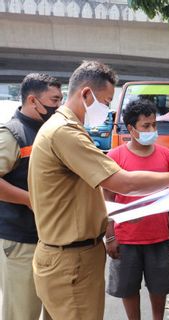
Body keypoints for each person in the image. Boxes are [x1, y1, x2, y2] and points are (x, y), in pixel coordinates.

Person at [28, 61, 169, 320]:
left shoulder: (64, 129)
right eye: (106, 101)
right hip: (71, 260)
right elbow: (122, 183)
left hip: (69, 254)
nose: (107, 110)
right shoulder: (66, 133)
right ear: (86, 94)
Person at [104, 99, 169, 320]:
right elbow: (107, 197)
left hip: (158, 236)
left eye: (154, 125)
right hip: (126, 238)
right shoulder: (115, 157)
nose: (152, 130)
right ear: (131, 129)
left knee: (159, 286)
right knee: (128, 288)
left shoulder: (165, 156)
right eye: (146, 126)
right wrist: (110, 236)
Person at [0, 73, 62, 320]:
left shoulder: (49, 132)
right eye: (54, 99)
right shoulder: (12, 134)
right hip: (21, 241)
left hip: (50, 239)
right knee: (22, 313)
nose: (58, 106)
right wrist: (31, 200)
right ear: (33, 100)